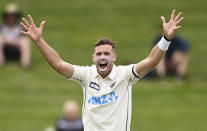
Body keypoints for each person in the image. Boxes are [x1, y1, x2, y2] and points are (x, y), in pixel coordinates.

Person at [20, 9, 184, 131]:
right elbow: (58, 64)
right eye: (99, 54)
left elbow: (151, 61)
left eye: (107, 53)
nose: (102, 57)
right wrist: (39, 41)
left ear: (114, 57)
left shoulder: (125, 75)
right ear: (93, 58)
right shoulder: (86, 75)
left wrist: (166, 38)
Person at [0, 3, 31, 69]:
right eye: (9, 16)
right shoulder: (2, 28)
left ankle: (25, 63)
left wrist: (12, 41)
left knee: (25, 41)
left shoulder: (20, 28)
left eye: (13, 15)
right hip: (5, 50)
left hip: (16, 51)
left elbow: (22, 39)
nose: (11, 17)